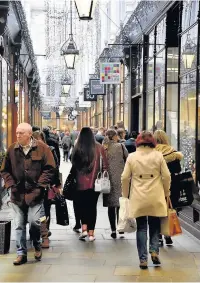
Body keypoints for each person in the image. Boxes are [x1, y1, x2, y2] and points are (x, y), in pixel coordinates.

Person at [1, 123, 55, 265]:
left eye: (21, 133)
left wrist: (40, 185)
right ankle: (21, 253)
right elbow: (4, 170)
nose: (18, 135)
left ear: (29, 134)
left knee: (34, 223)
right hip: (17, 194)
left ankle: (37, 244)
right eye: (17, 133)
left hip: (35, 194)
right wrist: (10, 184)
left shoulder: (43, 148)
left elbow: (50, 168)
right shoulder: (12, 149)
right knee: (19, 224)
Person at [121, 131, 171, 269]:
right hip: (156, 195)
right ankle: (154, 251)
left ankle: (143, 259)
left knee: (141, 227)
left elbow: (125, 177)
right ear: (152, 142)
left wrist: (125, 195)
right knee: (155, 225)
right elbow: (166, 176)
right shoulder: (158, 155)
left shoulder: (132, 157)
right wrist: (166, 192)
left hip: (138, 195)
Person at [72, 127, 108, 242]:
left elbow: (73, 164)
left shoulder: (77, 147)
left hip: (79, 183)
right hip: (95, 183)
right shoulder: (99, 147)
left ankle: (84, 230)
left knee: (82, 206)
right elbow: (105, 165)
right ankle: (91, 234)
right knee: (92, 207)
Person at [154, 130, 183, 247]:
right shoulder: (173, 152)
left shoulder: (152, 153)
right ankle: (168, 235)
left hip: (156, 185)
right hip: (172, 186)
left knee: (157, 212)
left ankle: (159, 237)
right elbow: (178, 170)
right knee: (169, 209)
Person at [32, 131, 61, 248]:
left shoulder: (50, 149)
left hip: (46, 185)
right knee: (37, 209)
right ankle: (38, 231)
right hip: (34, 186)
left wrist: (56, 183)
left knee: (45, 208)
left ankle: (44, 231)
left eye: (37, 139)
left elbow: (55, 167)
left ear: (42, 139)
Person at [103, 129, 128, 239]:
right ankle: (120, 227)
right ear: (114, 137)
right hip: (119, 178)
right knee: (120, 204)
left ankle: (113, 229)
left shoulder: (104, 148)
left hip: (107, 180)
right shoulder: (121, 146)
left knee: (110, 206)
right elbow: (127, 159)